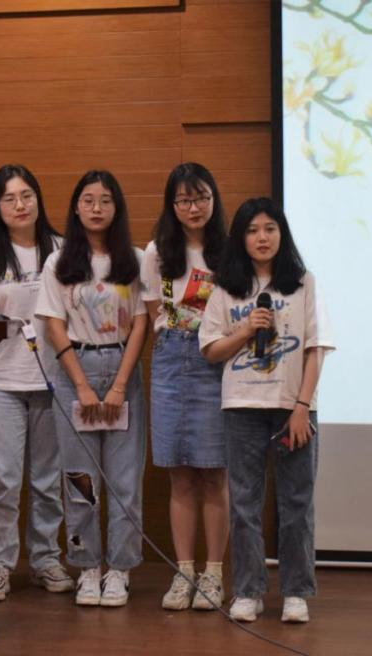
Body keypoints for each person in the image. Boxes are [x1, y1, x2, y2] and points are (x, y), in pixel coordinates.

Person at [198, 197, 334, 624]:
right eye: (253, 230)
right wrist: (245, 330)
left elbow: (316, 348)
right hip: (242, 407)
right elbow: (211, 350)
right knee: (243, 503)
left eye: (270, 229)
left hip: (293, 408)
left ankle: (295, 592)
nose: (262, 237)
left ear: (281, 233)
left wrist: (302, 406)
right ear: (241, 238)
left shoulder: (303, 283)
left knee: (296, 502)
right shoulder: (226, 287)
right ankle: (248, 590)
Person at [35, 170, 147, 608]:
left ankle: (120, 568)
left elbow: (141, 323)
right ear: (76, 207)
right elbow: (53, 325)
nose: (96, 208)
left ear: (117, 207)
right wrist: (81, 386)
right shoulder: (58, 262)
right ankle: (87, 567)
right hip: (74, 371)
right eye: (88, 200)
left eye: (105, 200)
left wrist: (118, 386)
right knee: (80, 478)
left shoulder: (134, 259)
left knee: (124, 479)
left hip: (122, 370)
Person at [0, 164, 73, 601]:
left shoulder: (61, 250)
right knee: (3, 480)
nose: (20, 205)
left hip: (53, 381)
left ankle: (46, 558)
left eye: (27, 195)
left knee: (48, 480)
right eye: (9, 198)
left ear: (38, 199)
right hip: (1, 383)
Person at [140, 162, 230, 611]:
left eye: (201, 198)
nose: (194, 208)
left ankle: (214, 575)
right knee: (179, 472)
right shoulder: (157, 251)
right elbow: (154, 313)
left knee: (214, 471)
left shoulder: (230, 250)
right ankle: (183, 573)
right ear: (172, 205)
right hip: (172, 357)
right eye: (184, 200)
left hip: (218, 359)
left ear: (214, 199)